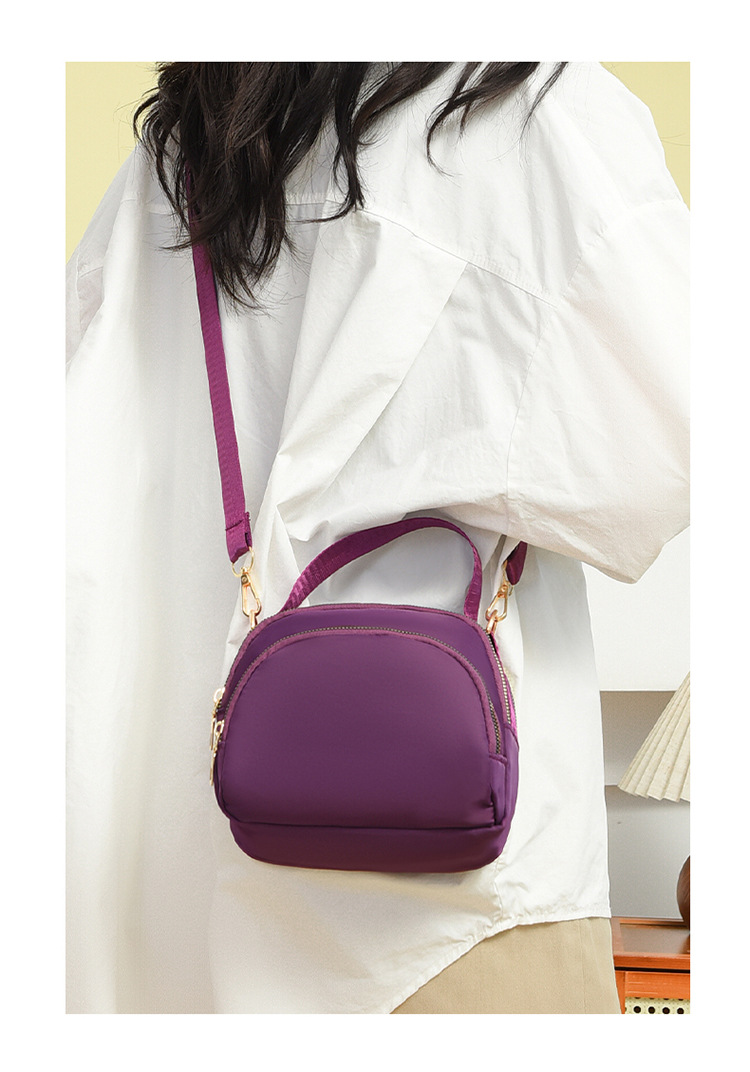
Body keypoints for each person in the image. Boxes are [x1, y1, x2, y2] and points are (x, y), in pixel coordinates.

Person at [66, 62, 689, 1014]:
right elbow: (669, 451)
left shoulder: (172, 160)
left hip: (171, 910)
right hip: (444, 940)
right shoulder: (528, 112)